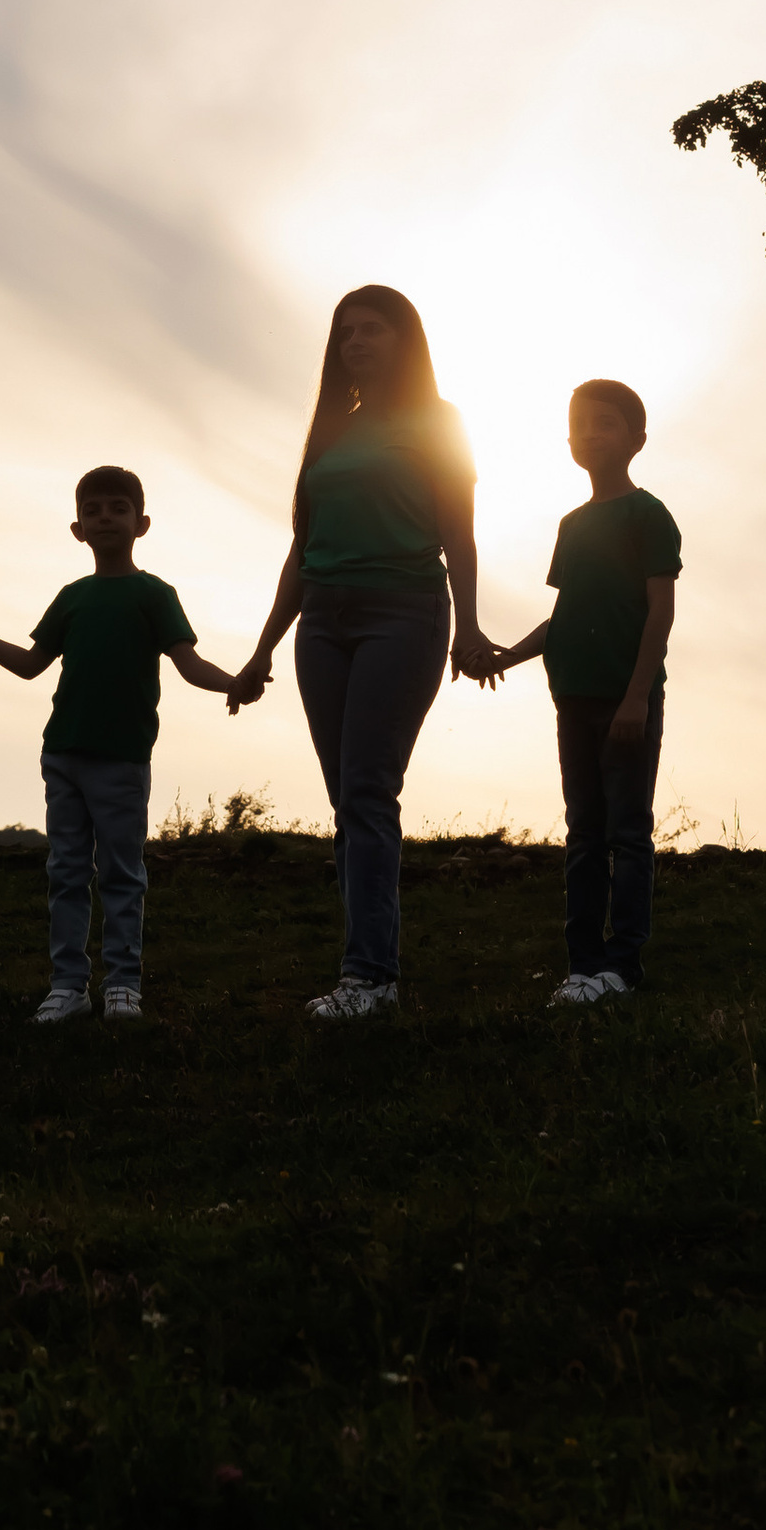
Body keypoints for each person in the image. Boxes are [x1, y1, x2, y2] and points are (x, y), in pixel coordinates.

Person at [230, 285, 496, 1018]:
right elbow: (302, 547)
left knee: (369, 790)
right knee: (348, 802)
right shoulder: (329, 431)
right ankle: (367, 969)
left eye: (372, 329)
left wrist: (468, 627)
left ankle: (371, 979)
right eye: (345, 332)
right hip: (322, 619)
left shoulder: (439, 422)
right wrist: (261, 650)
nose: (355, 342)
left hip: (402, 611)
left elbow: (459, 534)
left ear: (404, 341)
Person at [0, 465, 252, 1024]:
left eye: (117, 508)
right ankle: (69, 986)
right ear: (77, 528)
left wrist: (234, 682)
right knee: (66, 872)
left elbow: (188, 662)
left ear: (141, 523)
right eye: (93, 510)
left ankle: (123, 985)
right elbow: (30, 666)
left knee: (122, 872)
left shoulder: (154, 594)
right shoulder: (71, 598)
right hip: (63, 754)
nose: (105, 518)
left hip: (122, 759)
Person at [486, 378, 681, 1002]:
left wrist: (636, 697)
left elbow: (660, 613)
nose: (591, 435)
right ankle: (582, 966)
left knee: (627, 832)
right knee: (584, 835)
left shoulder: (648, 515)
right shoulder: (571, 526)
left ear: (637, 439)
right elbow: (566, 614)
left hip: (626, 702)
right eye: (580, 425)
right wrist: (508, 655)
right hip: (572, 697)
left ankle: (622, 967)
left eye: (606, 423)